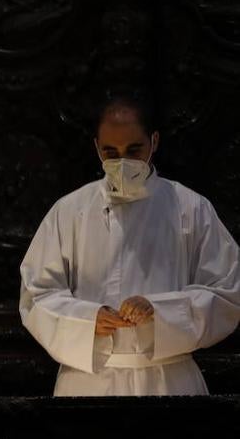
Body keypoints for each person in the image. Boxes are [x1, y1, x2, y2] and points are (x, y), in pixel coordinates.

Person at [19, 91, 240, 395]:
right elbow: (36, 295)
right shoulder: (70, 211)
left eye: (134, 150)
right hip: (88, 381)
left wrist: (159, 310)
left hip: (168, 380)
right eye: (111, 152)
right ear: (97, 148)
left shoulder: (190, 208)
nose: (122, 161)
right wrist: (87, 319)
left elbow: (227, 293)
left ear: (154, 142)